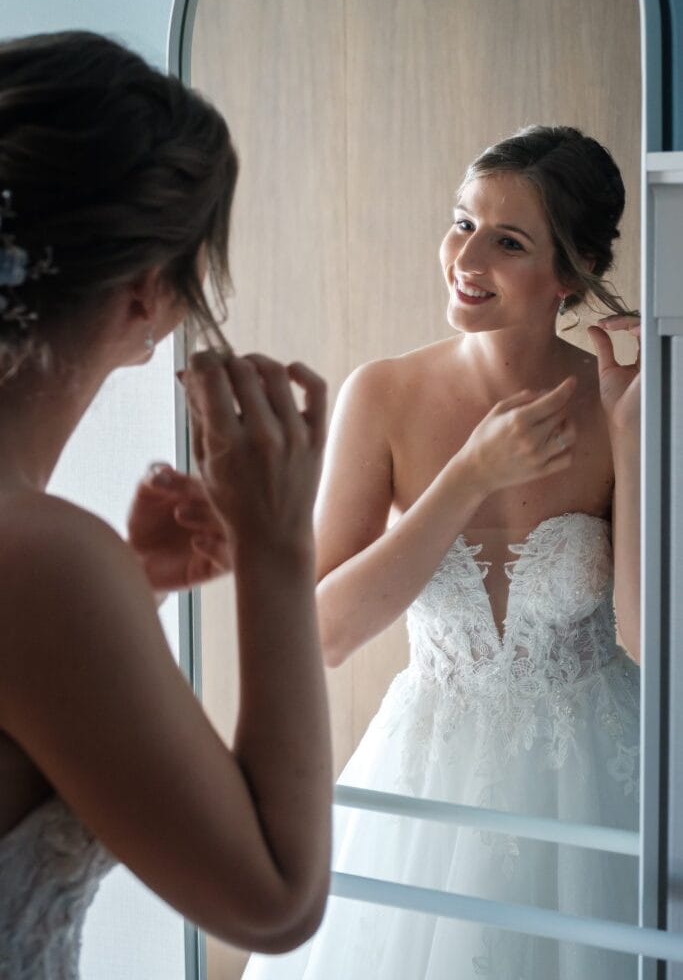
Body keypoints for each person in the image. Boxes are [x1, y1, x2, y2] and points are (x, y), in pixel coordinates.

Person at [243, 126, 641, 979]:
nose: (466, 257)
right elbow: (318, 636)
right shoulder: (382, 394)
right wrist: (465, 478)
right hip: (424, 773)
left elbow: (645, 635)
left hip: (595, 774)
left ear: (565, 275)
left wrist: (634, 435)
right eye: (462, 222)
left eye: (507, 242)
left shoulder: (616, 404)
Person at [0, 30, 333, 978]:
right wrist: (276, 549)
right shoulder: (44, 565)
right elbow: (274, 900)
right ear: (149, 293)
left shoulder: (45, 571)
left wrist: (132, 581)